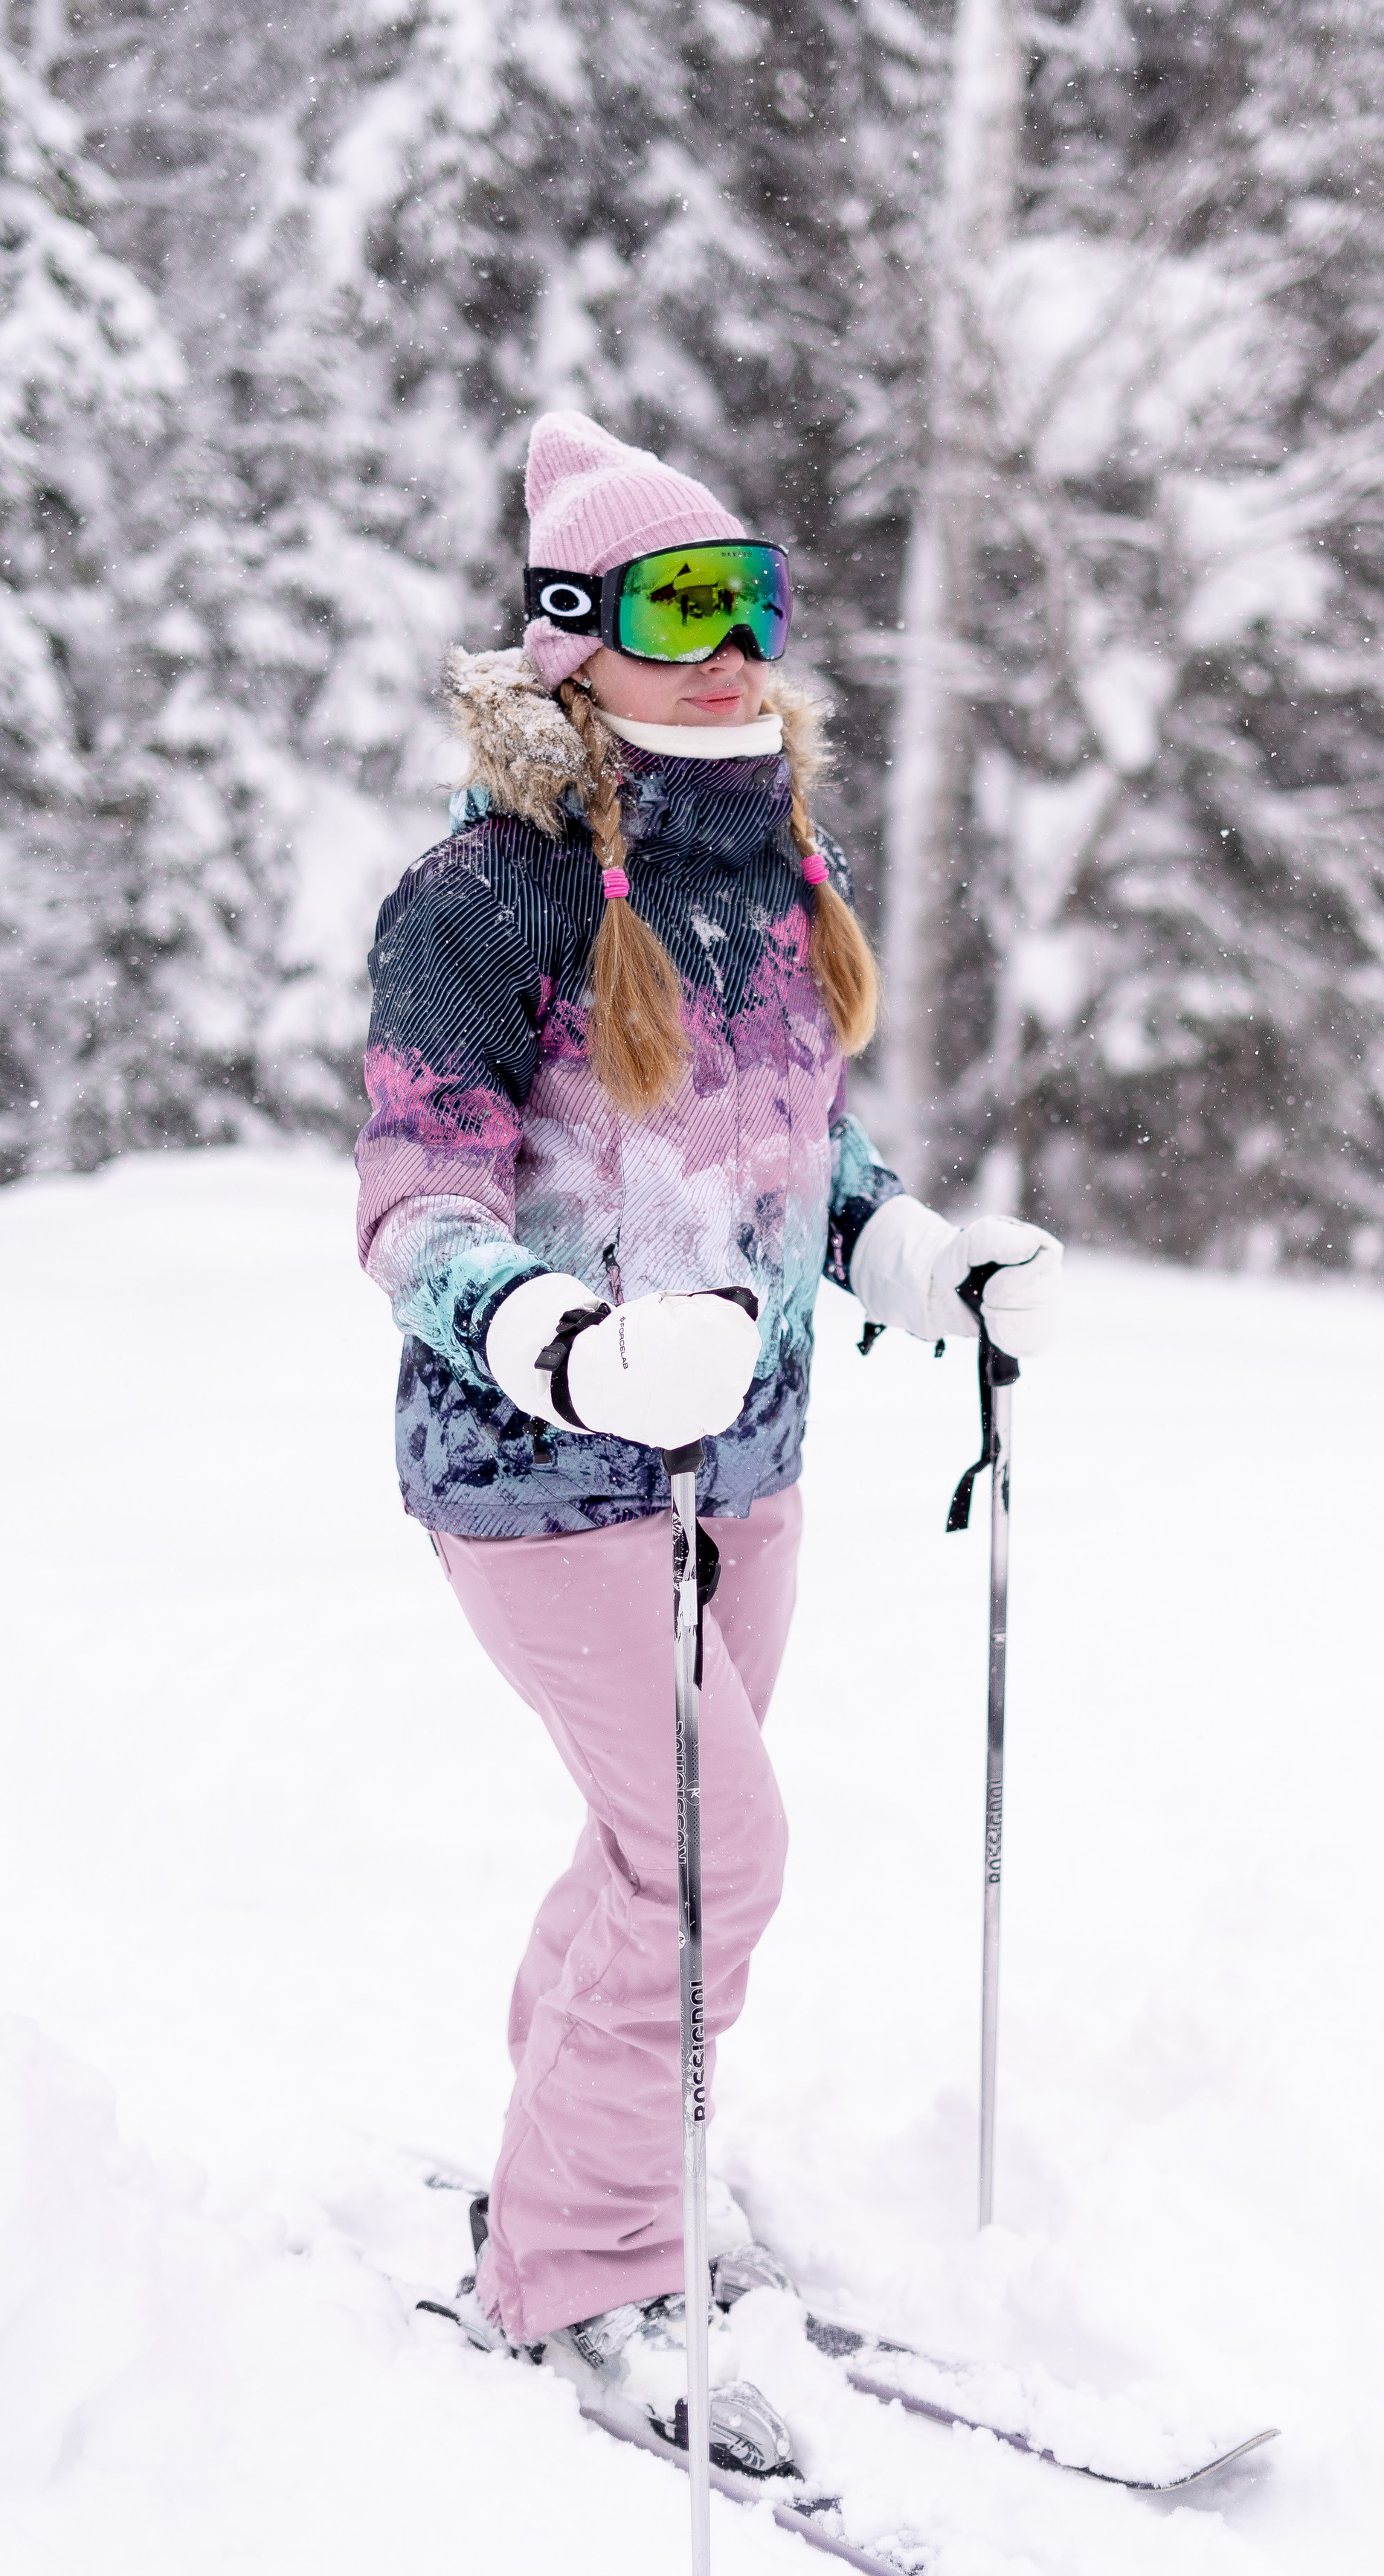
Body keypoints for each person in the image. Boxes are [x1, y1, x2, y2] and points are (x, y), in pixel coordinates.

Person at [355, 410, 1061, 2470]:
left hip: (743, 1465)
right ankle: (585, 2266)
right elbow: (416, 1209)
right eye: (678, 599)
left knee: (652, 1851)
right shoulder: (479, 904)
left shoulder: (764, 881)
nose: (730, 636)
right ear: (572, 637)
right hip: (543, 1475)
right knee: (714, 1856)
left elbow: (789, 1155)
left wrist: (912, 1255)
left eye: (749, 592)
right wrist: (562, 1343)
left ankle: (591, 2160)